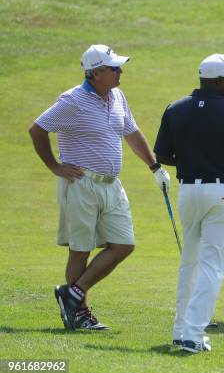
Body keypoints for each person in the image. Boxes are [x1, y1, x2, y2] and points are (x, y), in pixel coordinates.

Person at [29, 44, 171, 330]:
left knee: (123, 245)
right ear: (95, 73)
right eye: (114, 68)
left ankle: (71, 293)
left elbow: (131, 133)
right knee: (80, 250)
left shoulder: (117, 96)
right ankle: (78, 313)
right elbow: (38, 129)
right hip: (81, 184)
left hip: (112, 186)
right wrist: (55, 166)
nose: (120, 72)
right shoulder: (73, 100)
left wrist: (155, 166)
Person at [154, 54, 224, 353]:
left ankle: (179, 329)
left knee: (190, 262)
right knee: (212, 265)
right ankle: (192, 335)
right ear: (217, 81)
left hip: (187, 191)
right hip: (221, 192)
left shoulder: (175, 109)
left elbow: (163, 155)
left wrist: (189, 160)